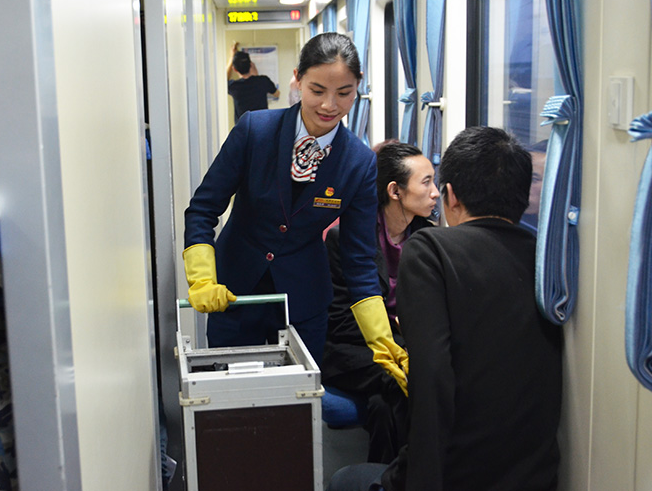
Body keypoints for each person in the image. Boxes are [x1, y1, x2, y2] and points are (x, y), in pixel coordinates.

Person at [328, 126, 563, 491]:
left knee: (345, 479)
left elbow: (433, 378)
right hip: (536, 474)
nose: (435, 193)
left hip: (457, 471)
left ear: (452, 195)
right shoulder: (545, 260)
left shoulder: (431, 247)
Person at [183, 33, 408, 387]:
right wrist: (202, 277)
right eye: (317, 90)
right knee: (232, 402)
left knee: (296, 410)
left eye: (344, 93)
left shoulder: (359, 163)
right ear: (298, 79)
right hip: (235, 290)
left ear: (358, 88)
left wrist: (382, 338)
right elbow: (203, 208)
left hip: (303, 305)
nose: (330, 105)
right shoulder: (255, 131)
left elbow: (359, 259)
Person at [323, 141, 438, 464]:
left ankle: (385, 479)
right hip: (352, 351)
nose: (436, 193)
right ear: (395, 190)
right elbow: (342, 322)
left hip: (405, 345)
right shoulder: (345, 239)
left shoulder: (430, 240)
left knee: (384, 403)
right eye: (426, 182)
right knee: (402, 379)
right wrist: (397, 331)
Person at [226, 42, 279, 123]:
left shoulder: (234, 87)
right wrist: (256, 76)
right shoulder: (263, 81)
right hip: (262, 127)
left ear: (235, 69)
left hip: (243, 131)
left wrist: (231, 57)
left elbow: (223, 80)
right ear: (251, 65)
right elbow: (277, 94)